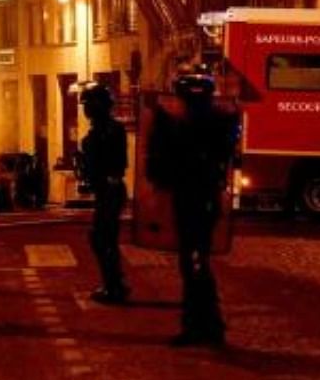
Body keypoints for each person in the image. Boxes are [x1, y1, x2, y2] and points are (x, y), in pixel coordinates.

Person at [147, 69, 239, 346]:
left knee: (194, 264)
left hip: (192, 199)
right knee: (196, 263)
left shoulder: (181, 128)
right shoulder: (218, 124)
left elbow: (160, 164)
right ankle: (205, 324)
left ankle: (203, 325)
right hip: (204, 199)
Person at [78, 82, 130, 304]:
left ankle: (114, 286)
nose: (85, 109)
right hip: (110, 189)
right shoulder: (112, 129)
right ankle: (114, 284)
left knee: (102, 240)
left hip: (109, 190)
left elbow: (106, 164)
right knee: (104, 239)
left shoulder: (103, 132)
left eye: (87, 104)